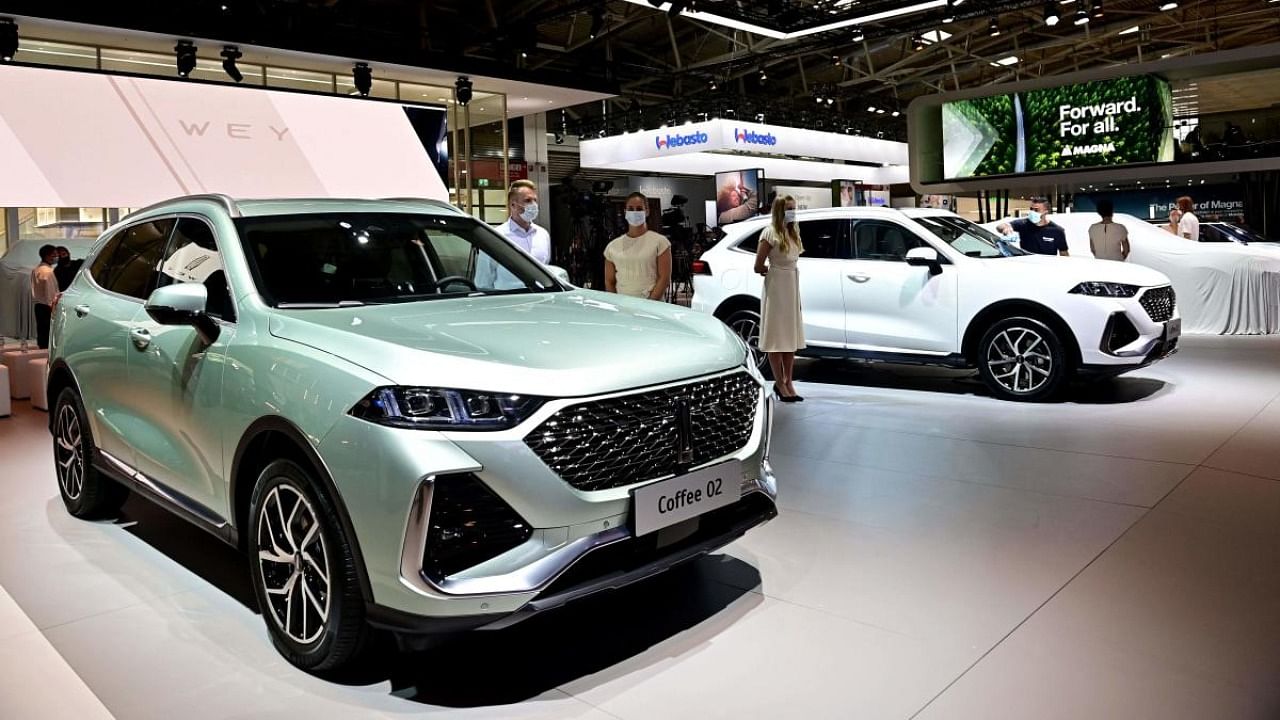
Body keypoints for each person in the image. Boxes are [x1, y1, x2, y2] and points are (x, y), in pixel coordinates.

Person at [753, 195, 805, 403]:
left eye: (794, 208)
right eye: (788, 209)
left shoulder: (794, 233)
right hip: (776, 286)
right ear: (779, 211)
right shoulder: (770, 233)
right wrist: (772, 271)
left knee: (789, 337)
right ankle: (779, 381)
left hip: (791, 284)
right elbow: (758, 265)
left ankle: (788, 380)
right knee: (777, 336)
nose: (792, 212)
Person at [479, 179, 553, 289]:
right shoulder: (496, 236)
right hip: (509, 302)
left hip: (539, 300)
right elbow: (483, 281)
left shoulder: (543, 235)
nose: (533, 205)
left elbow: (545, 269)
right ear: (513, 205)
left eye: (535, 200)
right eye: (527, 201)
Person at [603, 192, 672, 300]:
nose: (635, 212)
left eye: (639, 209)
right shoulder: (612, 247)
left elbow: (664, 278)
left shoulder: (660, 242)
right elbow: (609, 281)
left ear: (647, 211)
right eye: (630, 209)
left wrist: (649, 304)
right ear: (625, 212)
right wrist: (616, 303)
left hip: (652, 307)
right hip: (623, 308)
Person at [996, 198, 1069, 256]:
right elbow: (1000, 226)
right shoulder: (1023, 224)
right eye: (1031, 209)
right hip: (1028, 265)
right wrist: (1006, 228)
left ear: (1046, 212)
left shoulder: (1057, 231)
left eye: (1036, 210)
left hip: (1047, 267)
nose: (1032, 212)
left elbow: (1063, 253)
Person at [31, 244, 59, 349]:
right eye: (54, 255)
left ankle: (42, 355)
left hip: (39, 306)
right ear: (47, 256)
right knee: (48, 335)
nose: (57, 257)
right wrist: (54, 308)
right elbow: (51, 293)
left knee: (42, 335)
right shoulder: (48, 272)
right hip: (47, 307)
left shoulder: (36, 269)